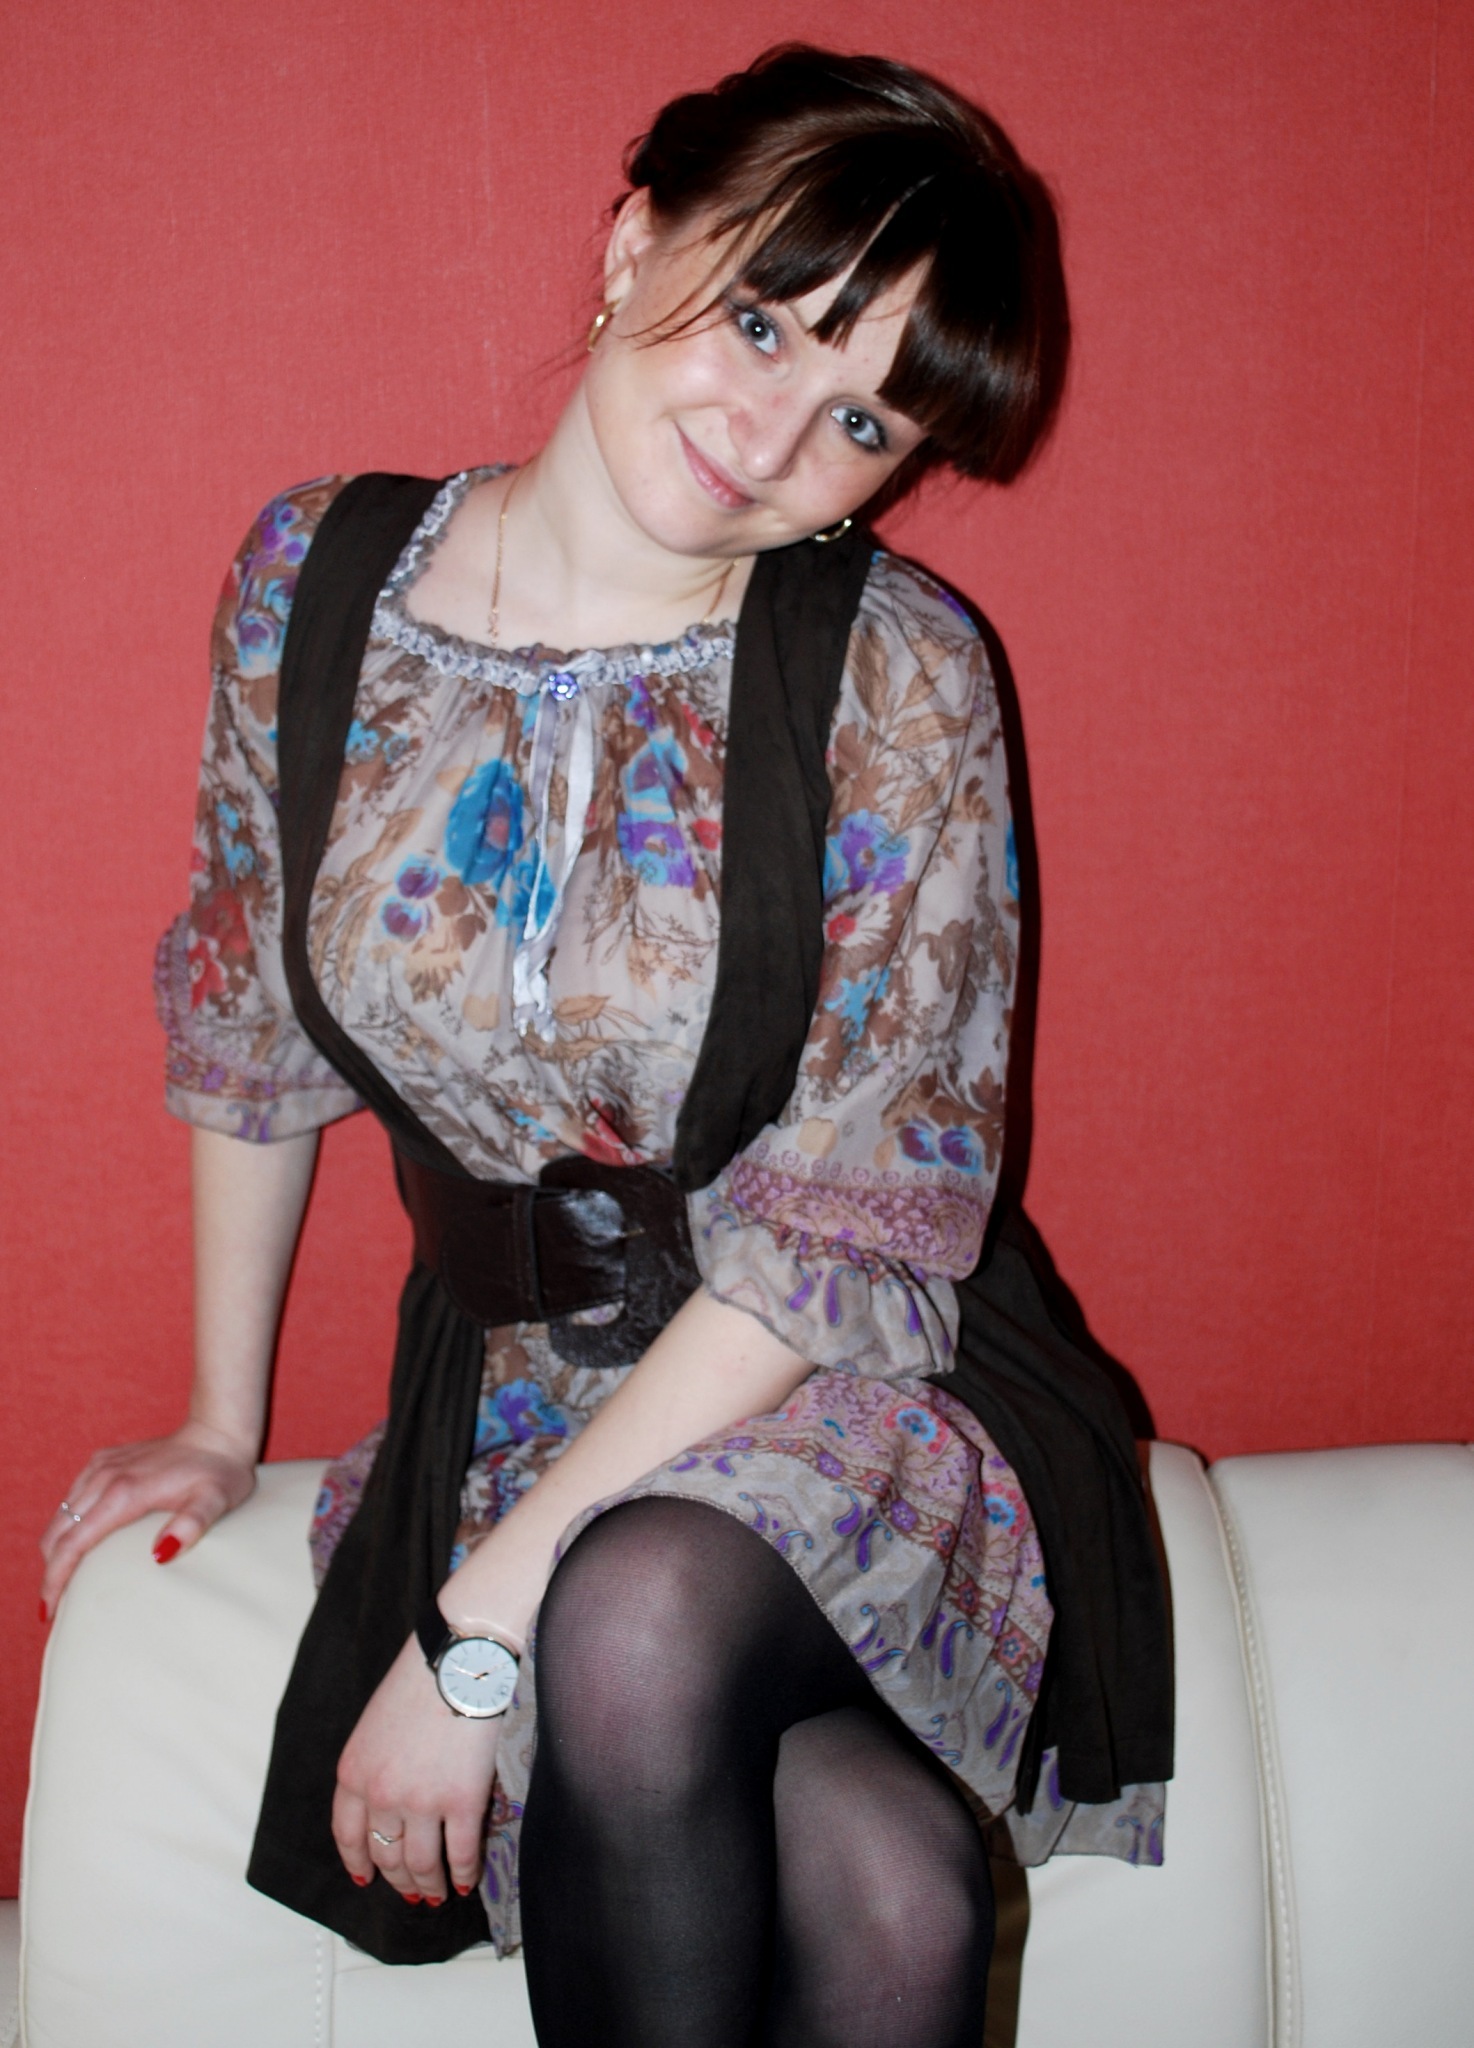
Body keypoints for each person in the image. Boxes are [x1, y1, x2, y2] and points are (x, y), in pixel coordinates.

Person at [39, 43, 1170, 2048]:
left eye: (858, 418)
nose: (769, 434)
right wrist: (218, 1411)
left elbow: (848, 1227)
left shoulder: (896, 675)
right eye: (763, 319)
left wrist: (475, 1634)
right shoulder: (314, 583)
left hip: (851, 1377)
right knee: (889, 1886)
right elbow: (245, 1018)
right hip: (519, 1397)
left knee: (628, 1613)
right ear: (634, 235)